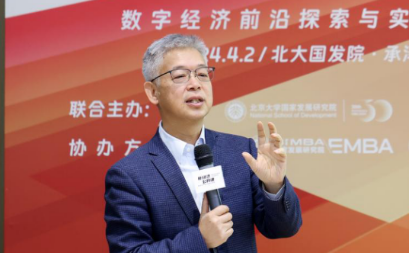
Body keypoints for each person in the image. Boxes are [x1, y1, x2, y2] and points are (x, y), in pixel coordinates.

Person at [104, 34, 302, 252]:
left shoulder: (241, 151)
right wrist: (200, 239)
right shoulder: (129, 175)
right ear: (153, 92)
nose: (195, 84)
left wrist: (274, 186)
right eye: (180, 76)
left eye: (202, 74)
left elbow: (283, 229)